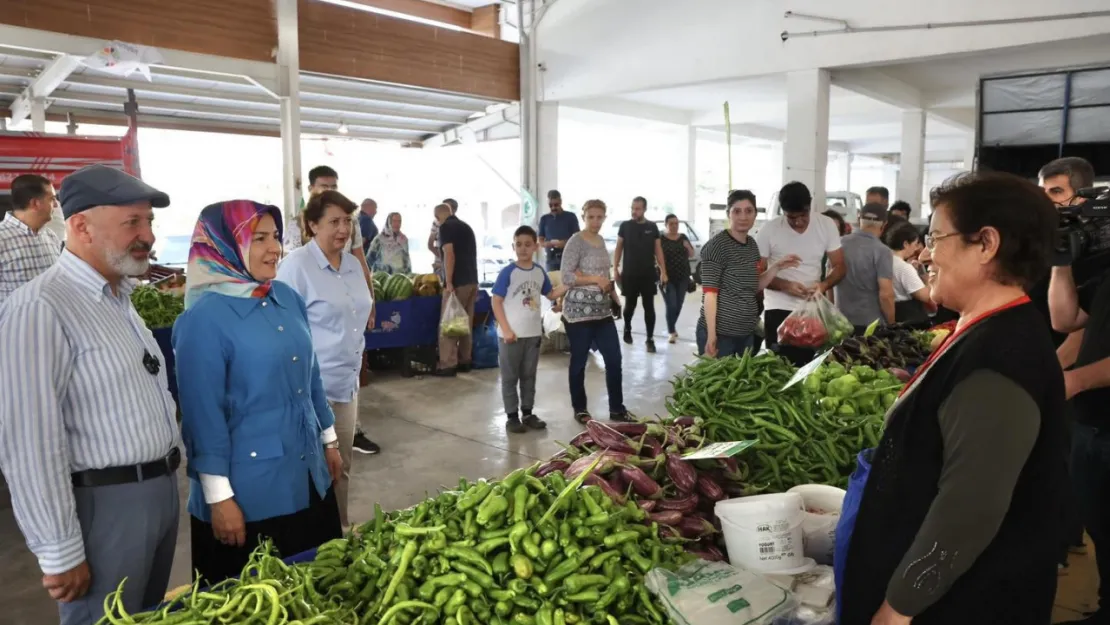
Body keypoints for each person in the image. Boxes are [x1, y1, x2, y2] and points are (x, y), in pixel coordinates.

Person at [837, 171, 1067, 625]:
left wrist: (898, 608)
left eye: (936, 237)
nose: (925, 252)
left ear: (986, 243)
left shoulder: (999, 359)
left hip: (962, 604)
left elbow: (971, 509)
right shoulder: (988, 329)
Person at [0, 165, 180, 625]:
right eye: (132, 223)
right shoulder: (41, 307)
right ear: (80, 225)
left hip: (156, 495)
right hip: (105, 510)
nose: (148, 237)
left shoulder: (119, 300)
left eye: (149, 223)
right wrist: (58, 548)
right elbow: (29, 443)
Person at [173, 200, 344, 584]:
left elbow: (311, 377)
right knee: (259, 598)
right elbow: (203, 417)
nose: (275, 248)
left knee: (320, 586)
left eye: (277, 237)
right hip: (249, 495)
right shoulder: (203, 320)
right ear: (223, 245)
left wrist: (329, 439)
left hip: (307, 473)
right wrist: (218, 497)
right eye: (260, 238)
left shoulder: (286, 298)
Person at [276, 191, 374, 529]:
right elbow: (281, 329)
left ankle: (338, 532)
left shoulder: (351, 264)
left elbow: (359, 310)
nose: (343, 229)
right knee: (308, 470)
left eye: (347, 221)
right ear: (312, 225)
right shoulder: (296, 267)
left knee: (340, 465)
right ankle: (309, 540)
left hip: (345, 386)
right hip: (309, 389)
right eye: (334, 221)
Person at [1047, 178, 1110, 624]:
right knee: (1100, 532)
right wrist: (1062, 261)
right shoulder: (1106, 274)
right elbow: (1065, 317)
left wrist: (1077, 381)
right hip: (1091, 426)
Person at [698, 190, 800, 358]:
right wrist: (711, 336)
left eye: (748, 211)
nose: (743, 216)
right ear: (728, 214)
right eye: (737, 211)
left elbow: (753, 286)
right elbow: (710, 295)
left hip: (746, 334)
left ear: (755, 214)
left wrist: (777, 267)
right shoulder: (716, 247)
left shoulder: (751, 245)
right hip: (721, 336)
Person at [757, 181, 846, 365]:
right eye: (791, 217)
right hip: (778, 309)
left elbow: (840, 266)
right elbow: (757, 275)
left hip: (813, 309)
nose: (798, 222)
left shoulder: (826, 225)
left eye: (803, 215)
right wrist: (785, 286)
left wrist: (823, 285)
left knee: (811, 367)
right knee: (780, 367)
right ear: (782, 211)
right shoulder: (769, 230)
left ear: (810, 204)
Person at [491, 225, 568, 433]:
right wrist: (506, 329)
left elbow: (550, 294)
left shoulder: (538, 271)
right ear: (513, 247)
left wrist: (569, 284)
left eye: (527, 244)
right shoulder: (508, 272)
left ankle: (527, 413)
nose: (523, 249)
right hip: (510, 336)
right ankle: (511, 416)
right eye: (518, 245)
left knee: (528, 375)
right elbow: (496, 302)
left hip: (533, 334)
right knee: (510, 377)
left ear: (535, 246)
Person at [561, 199, 631, 424]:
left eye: (600, 217)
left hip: (602, 313)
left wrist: (615, 298)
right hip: (578, 314)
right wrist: (594, 279)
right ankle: (580, 408)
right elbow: (566, 277)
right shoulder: (575, 241)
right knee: (579, 361)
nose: (595, 221)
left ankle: (617, 409)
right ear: (584, 217)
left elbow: (606, 276)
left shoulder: (601, 241)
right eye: (591, 217)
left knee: (614, 359)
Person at [613, 196, 668, 353]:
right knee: (630, 306)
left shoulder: (652, 227)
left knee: (649, 307)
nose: (634, 211)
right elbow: (618, 247)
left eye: (637, 208)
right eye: (632, 208)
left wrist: (664, 271)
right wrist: (615, 268)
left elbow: (658, 250)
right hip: (630, 273)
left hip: (648, 274)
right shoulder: (625, 226)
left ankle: (650, 339)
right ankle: (627, 328)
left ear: (644, 209)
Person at [0, 173, 62, 305]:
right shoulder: (2, 238)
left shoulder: (50, 236)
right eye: (51, 199)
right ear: (35, 203)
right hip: (13, 324)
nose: (56, 205)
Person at [835, 203, 895, 332]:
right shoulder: (882, 251)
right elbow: (886, 294)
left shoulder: (838, 243)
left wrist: (834, 313)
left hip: (840, 323)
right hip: (870, 326)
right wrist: (892, 324)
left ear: (858, 219)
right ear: (884, 225)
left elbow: (830, 281)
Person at [435, 202, 479, 376]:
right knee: (465, 323)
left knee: (449, 323)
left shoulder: (445, 228)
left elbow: (449, 253)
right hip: (472, 280)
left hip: (458, 281)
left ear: (437, 217)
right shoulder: (466, 227)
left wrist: (449, 281)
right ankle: (465, 360)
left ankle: (447, 364)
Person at [885, 221, 936, 327]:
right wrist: (925, 278)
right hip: (907, 317)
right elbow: (925, 296)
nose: (916, 248)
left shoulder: (884, 261)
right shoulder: (904, 267)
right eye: (915, 244)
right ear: (905, 244)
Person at [659, 213, 695, 343]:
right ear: (666, 225)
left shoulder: (683, 237)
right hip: (667, 277)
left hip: (683, 276)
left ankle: (671, 327)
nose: (674, 226)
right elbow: (656, 257)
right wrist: (662, 273)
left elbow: (692, 254)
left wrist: (687, 246)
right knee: (671, 305)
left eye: (676, 223)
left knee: (678, 304)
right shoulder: (660, 238)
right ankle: (671, 331)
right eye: (671, 224)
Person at [537, 189, 580, 272]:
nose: (553, 208)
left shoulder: (571, 217)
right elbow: (540, 240)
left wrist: (564, 243)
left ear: (560, 202)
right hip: (551, 259)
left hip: (569, 257)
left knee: (569, 283)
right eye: (550, 205)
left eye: (556, 205)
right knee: (552, 282)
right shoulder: (544, 219)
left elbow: (577, 238)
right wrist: (547, 244)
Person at [429, 197, 458, 280]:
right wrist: (442, 259)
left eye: (447, 207)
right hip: (440, 264)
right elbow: (430, 245)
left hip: (454, 265)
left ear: (454, 210)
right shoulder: (436, 222)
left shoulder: (458, 225)